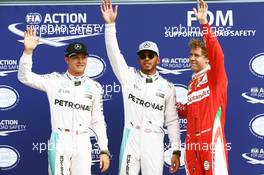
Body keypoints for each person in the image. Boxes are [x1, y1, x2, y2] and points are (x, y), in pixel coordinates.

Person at [100, 0, 181, 174]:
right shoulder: (128, 77)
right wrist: (110, 26)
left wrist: (176, 149)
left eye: (150, 55)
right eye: (142, 55)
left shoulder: (167, 87)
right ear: (138, 59)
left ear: (157, 59)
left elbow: (173, 121)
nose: (146, 58)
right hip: (131, 138)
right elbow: (114, 54)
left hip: (154, 141)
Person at [18, 28, 110, 175]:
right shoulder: (54, 80)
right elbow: (25, 77)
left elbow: (98, 120)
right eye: (75, 57)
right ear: (67, 59)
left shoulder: (94, 87)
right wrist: (28, 53)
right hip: (60, 140)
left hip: (83, 142)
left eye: (83, 57)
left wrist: (104, 150)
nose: (80, 61)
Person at [176, 0, 229, 175]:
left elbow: (218, 55)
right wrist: (172, 105)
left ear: (207, 59)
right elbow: (192, 112)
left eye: (196, 55)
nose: (191, 58)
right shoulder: (192, 83)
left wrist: (204, 24)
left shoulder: (215, 76)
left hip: (211, 141)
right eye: (190, 54)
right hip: (193, 145)